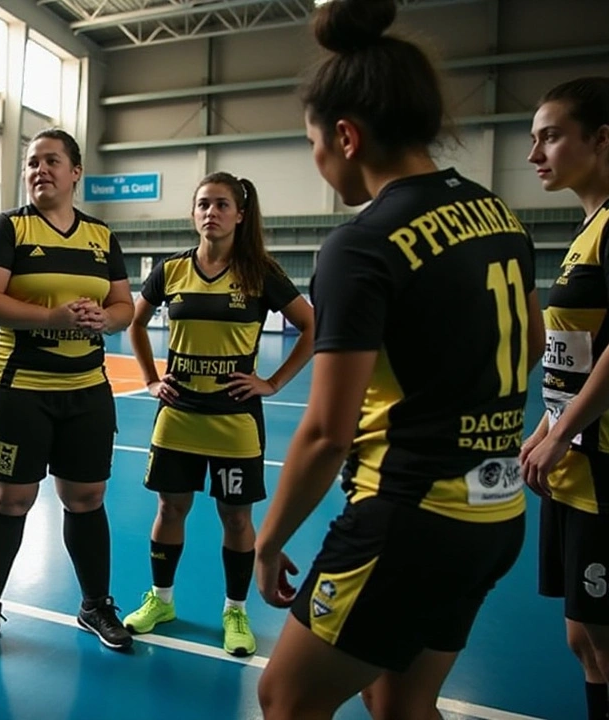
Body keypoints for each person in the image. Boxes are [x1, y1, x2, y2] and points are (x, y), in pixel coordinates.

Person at [252, 1, 543, 717]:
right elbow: (530, 343)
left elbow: (327, 433)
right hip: (496, 512)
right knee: (401, 704)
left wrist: (268, 542)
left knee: (285, 698)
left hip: (409, 515)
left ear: (346, 136)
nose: (317, 162)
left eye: (314, 144)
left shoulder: (359, 244)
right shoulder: (498, 214)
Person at [0, 128, 135, 657]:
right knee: (10, 499)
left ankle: (95, 604)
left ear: (75, 172)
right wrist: (52, 317)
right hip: (16, 390)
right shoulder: (8, 229)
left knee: (86, 498)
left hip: (85, 390)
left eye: (52, 161)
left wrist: (105, 319)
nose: (41, 170)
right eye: (32, 162)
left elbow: (126, 306)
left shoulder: (101, 237)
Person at [122, 172, 314, 657]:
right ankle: (162, 601)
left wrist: (271, 382)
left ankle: (235, 611)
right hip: (179, 413)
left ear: (240, 215)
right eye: (204, 204)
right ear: (193, 213)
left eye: (222, 205)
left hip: (235, 421)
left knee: (236, 517)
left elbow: (312, 326)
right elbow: (135, 321)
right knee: (171, 508)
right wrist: (149, 377)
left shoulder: (259, 273)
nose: (212, 212)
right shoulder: (170, 271)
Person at [520, 76, 609, 720]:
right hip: (574, 457)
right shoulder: (587, 229)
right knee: (582, 636)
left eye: (549, 136)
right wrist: (548, 427)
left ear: (600, 139)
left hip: (603, 463)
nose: (534, 155)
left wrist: (560, 431)